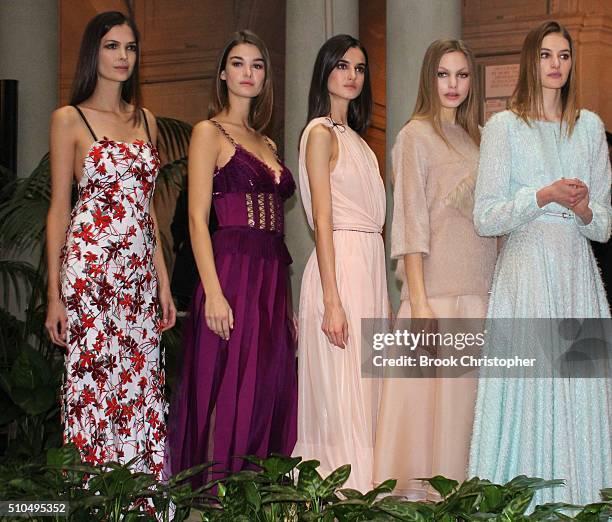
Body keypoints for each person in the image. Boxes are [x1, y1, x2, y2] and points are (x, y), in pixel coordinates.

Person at [468, 21, 611, 505]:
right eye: (547, 55)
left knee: (580, 393)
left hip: (576, 273)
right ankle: (517, 503)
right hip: (526, 273)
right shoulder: (504, 128)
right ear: (532, 62)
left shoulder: (589, 126)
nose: (556, 65)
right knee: (528, 391)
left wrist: (583, 208)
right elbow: (486, 217)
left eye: (564, 56)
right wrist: (543, 195)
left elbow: (605, 226)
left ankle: (583, 500)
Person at [45, 11, 175, 477]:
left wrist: (163, 282)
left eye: (131, 47)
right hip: (91, 275)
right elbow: (60, 210)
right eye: (112, 46)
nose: (123, 57)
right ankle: (92, 500)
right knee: (93, 389)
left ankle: (141, 498)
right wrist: (54, 295)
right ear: (93, 53)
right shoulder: (69, 119)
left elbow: (147, 211)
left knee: (139, 386)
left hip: (138, 278)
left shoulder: (148, 121)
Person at [167, 30, 297, 485]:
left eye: (257, 65)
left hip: (271, 275)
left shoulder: (268, 143)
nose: (248, 73)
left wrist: (288, 307)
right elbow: (197, 221)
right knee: (224, 385)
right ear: (223, 74)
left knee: (264, 385)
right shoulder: (209, 132)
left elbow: (281, 238)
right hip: (230, 269)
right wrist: (215, 294)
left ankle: (252, 491)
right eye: (239, 63)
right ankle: (214, 495)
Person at [373, 39, 496, 498]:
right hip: (434, 295)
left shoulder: (481, 137)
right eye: (444, 74)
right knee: (428, 416)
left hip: (480, 289)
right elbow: (408, 221)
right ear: (430, 77)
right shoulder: (413, 136)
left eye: (462, 75)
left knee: (466, 414)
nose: (453, 84)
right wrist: (419, 301)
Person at [293, 34, 389, 492]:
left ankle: (366, 492)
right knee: (342, 395)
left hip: (368, 267)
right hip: (340, 270)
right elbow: (324, 220)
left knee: (369, 393)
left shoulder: (363, 145)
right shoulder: (319, 133)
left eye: (360, 68)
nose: (352, 76)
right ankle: (342, 495)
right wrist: (332, 300)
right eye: (343, 66)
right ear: (325, 71)